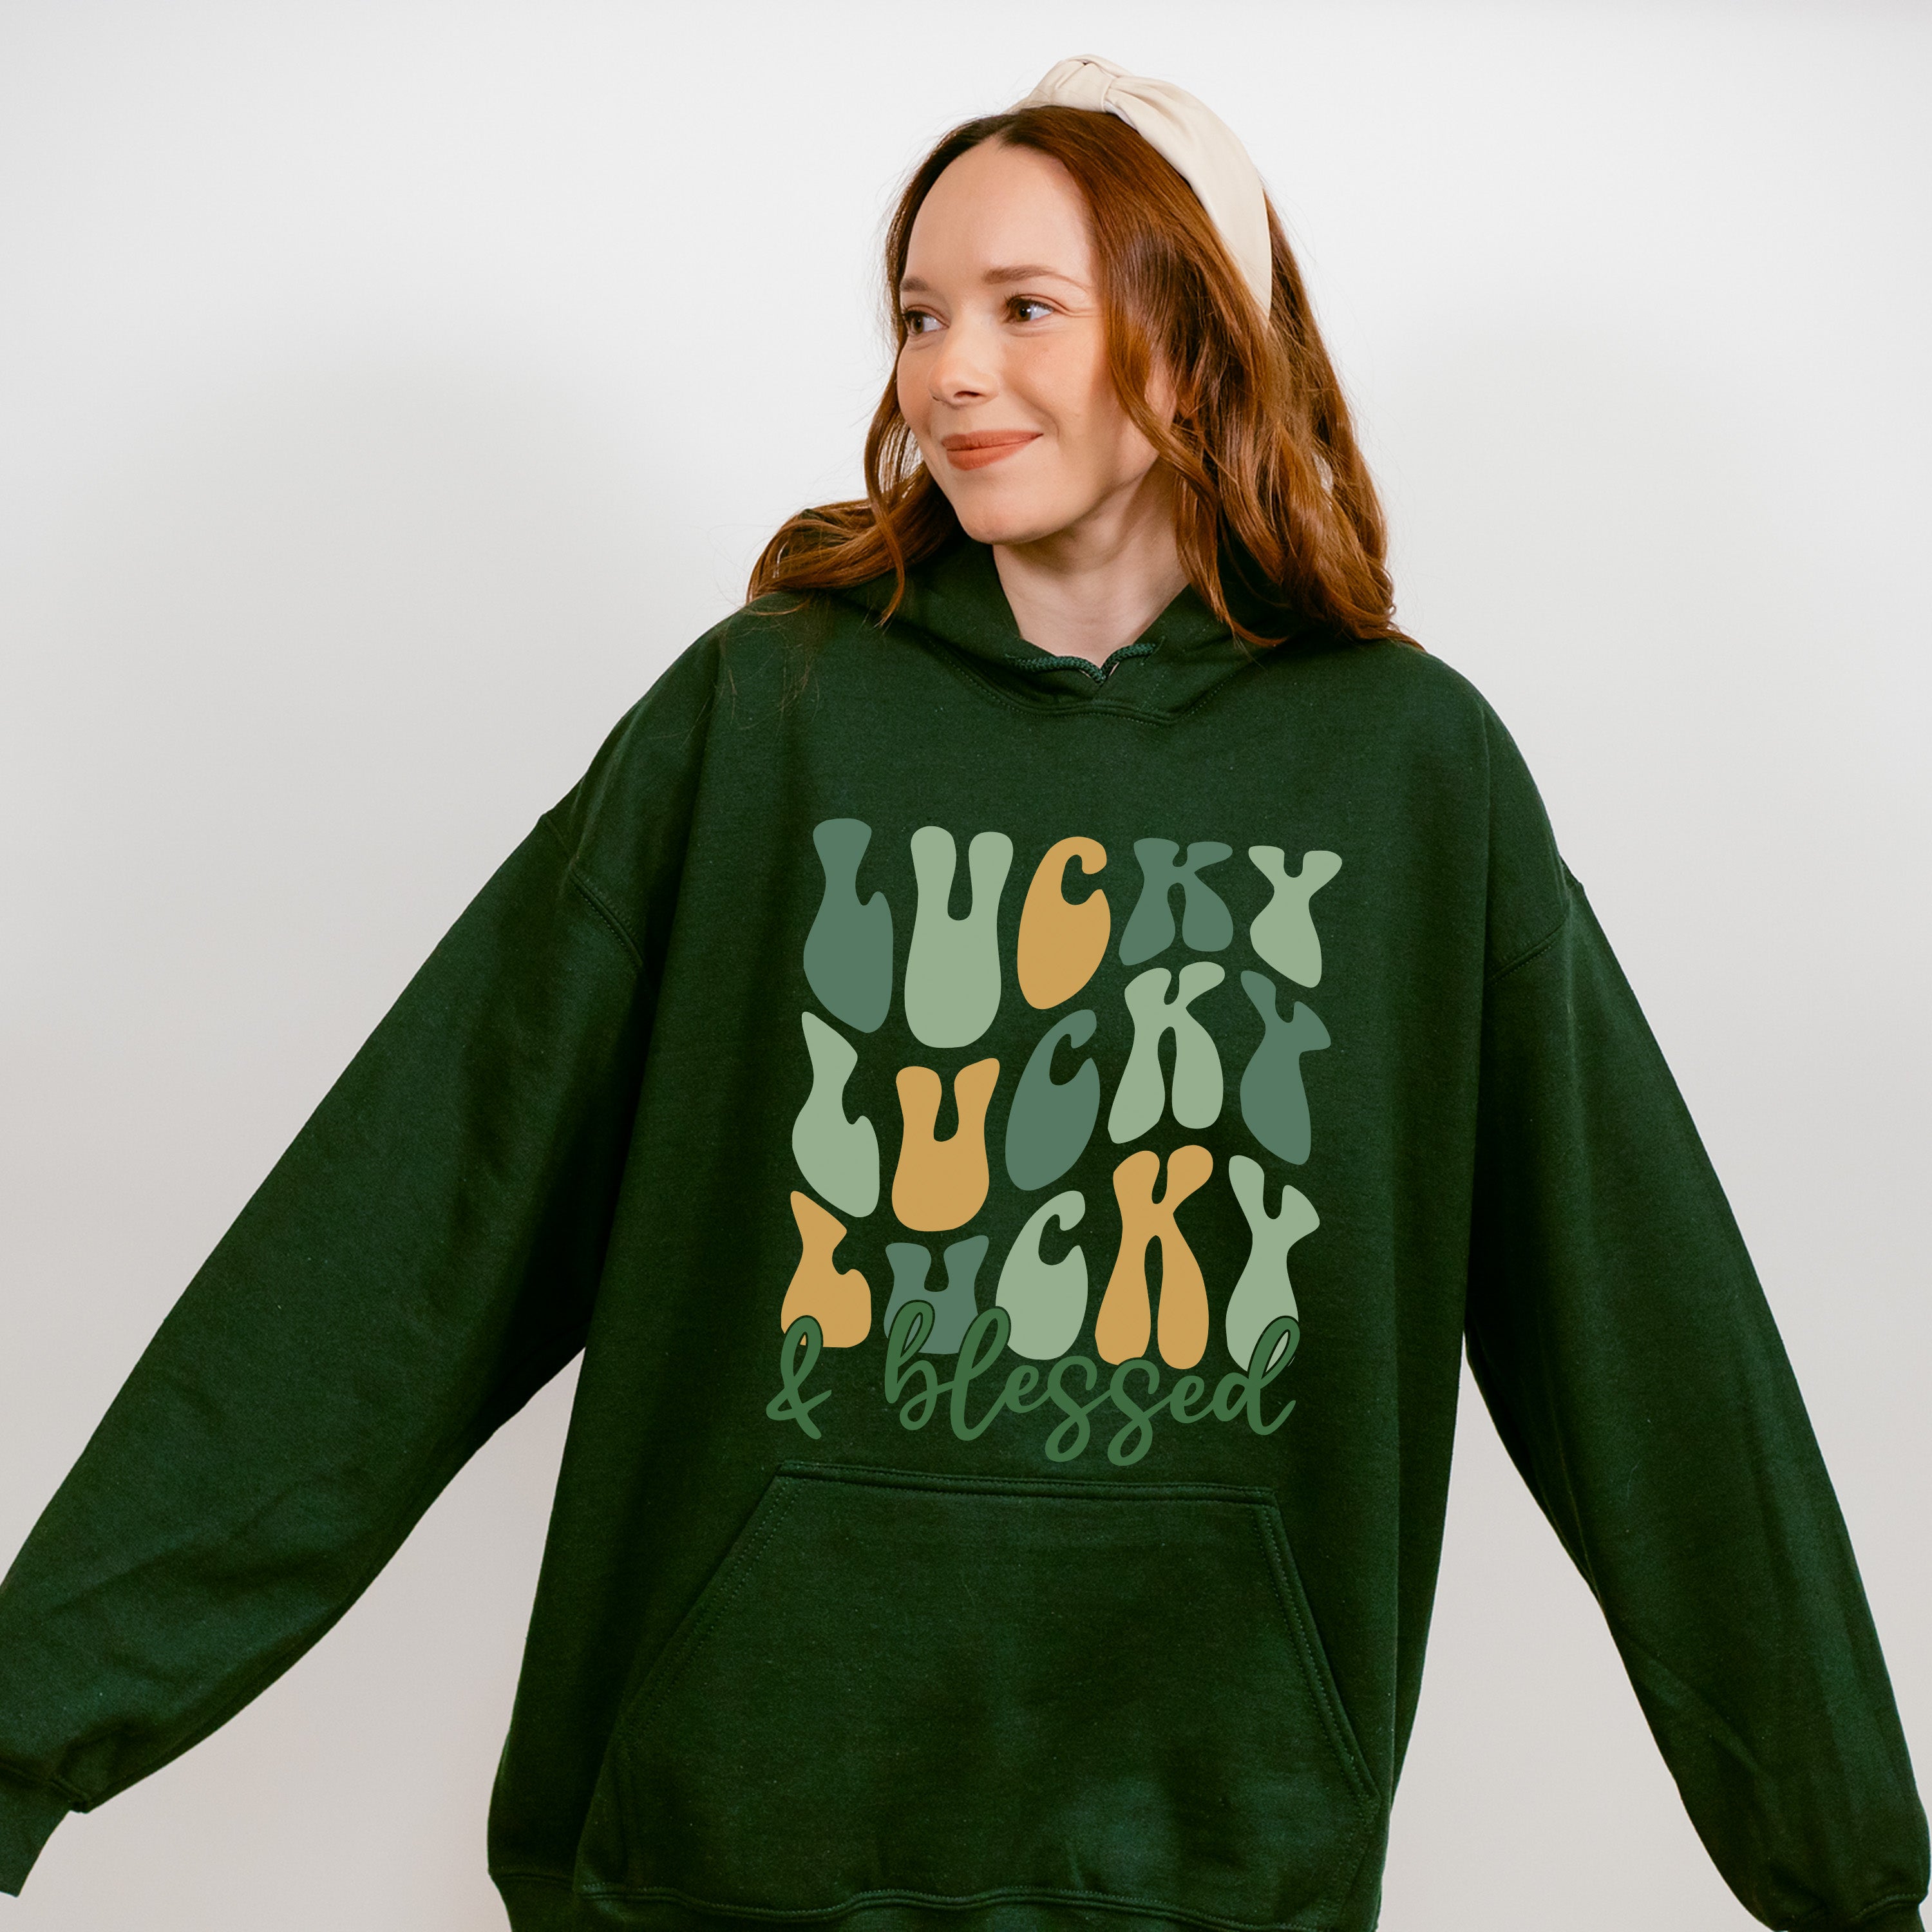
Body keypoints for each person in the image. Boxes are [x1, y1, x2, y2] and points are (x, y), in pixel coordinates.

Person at [0, 51, 1923, 1932]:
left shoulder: (1413, 779)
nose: (949, 371)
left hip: (1209, 1862)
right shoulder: (763, 723)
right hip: (719, 1852)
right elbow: (403, 1240)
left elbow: (1644, 1332)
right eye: (922, 315)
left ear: (1196, 339)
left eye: (1025, 306)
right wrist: (28, 1725)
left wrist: (1845, 1869)